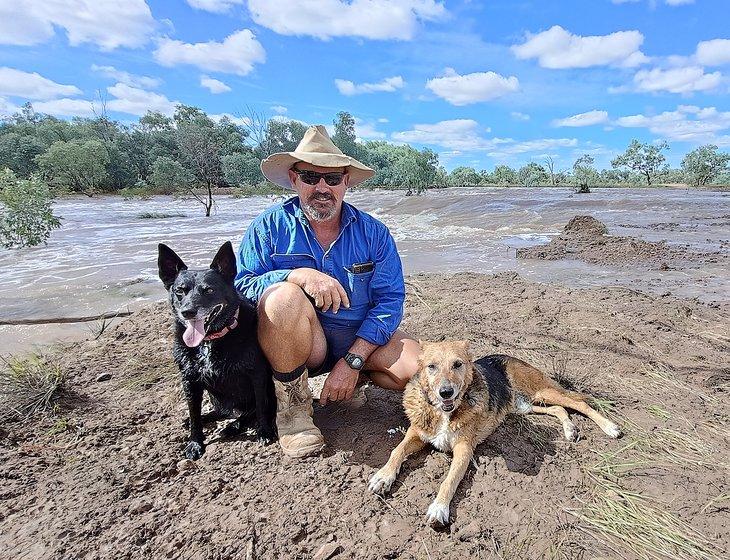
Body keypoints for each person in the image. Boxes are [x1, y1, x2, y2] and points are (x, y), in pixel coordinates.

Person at [235, 125, 420, 458]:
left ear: (346, 182)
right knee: (281, 298)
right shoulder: (268, 226)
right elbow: (242, 285)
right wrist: (297, 274)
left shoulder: (374, 233)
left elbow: (390, 301)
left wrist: (352, 361)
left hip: (360, 342)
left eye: (332, 179)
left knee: (419, 367)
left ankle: (357, 379)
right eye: (310, 177)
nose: (322, 188)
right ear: (294, 179)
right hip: (304, 346)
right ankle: (293, 412)